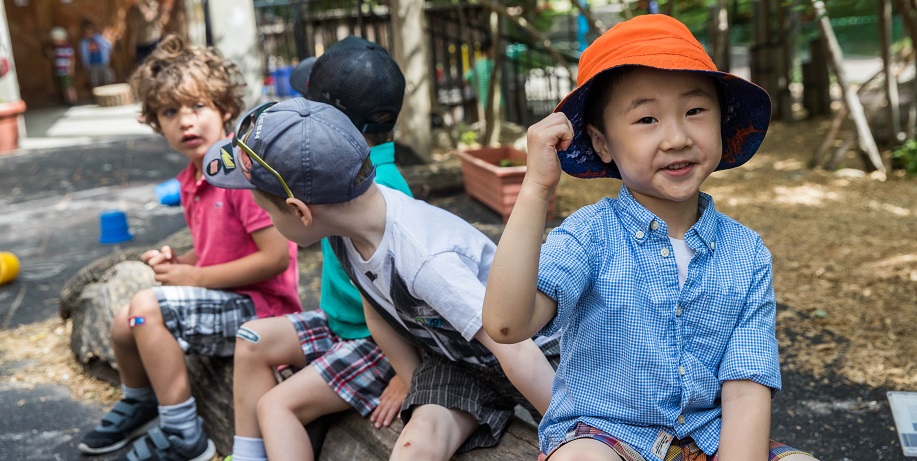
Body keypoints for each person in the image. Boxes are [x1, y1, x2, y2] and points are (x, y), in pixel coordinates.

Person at [481, 14, 819, 461]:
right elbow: (507, 324)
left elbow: (744, 390)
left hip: (708, 439)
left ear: (721, 122)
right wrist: (535, 188)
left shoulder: (745, 253)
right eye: (647, 119)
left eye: (695, 111)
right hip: (606, 436)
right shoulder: (589, 236)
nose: (676, 137)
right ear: (602, 144)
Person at [203, 97, 560, 461]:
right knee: (411, 448)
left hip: (541, 357)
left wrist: (566, 429)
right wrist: (413, 380)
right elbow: (376, 309)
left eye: (266, 210)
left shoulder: (424, 258)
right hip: (460, 362)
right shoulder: (347, 232)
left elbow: (516, 349)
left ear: (299, 211)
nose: (269, 218)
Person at [77, 35, 302, 461]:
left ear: (225, 109)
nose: (186, 121)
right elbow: (218, 249)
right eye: (170, 111)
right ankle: (141, 397)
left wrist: (192, 277)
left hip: (263, 312)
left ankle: (184, 434)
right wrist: (182, 262)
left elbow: (273, 258)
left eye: (198, 106)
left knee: (146, 307)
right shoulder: (191, 179)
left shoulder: (241, 175)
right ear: (153, 121)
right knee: (127, 320)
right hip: (220, 299)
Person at [227, 36, 414, 461]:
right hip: (341, 322)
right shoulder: (334, 170)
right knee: (252, 337)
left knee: (276, 405)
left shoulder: (377, 192)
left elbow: (418, 296)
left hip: (380, 343)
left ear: (334, 118)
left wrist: (410, 375)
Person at [79, 20, 114, 88]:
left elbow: (108, 45)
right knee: (94, 80)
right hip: (92, 64)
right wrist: (86, 64)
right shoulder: (83, 43)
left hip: (103, 62)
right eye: (86, 33)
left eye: (90, 32)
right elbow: (83, 54)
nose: (89, 34)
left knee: (106, 78)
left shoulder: (98, 38)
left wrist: (97, 38)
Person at [48, 27, 78, 105]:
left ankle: (73, 100)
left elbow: (72, 58)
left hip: (66, 70)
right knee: (64, 87)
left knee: (69, 87)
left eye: (55, 40)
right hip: (60, 71)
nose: (54, 42)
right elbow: (55, 57)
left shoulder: (67, 47)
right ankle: (67, 100)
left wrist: (71, 68)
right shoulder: (57, 48)